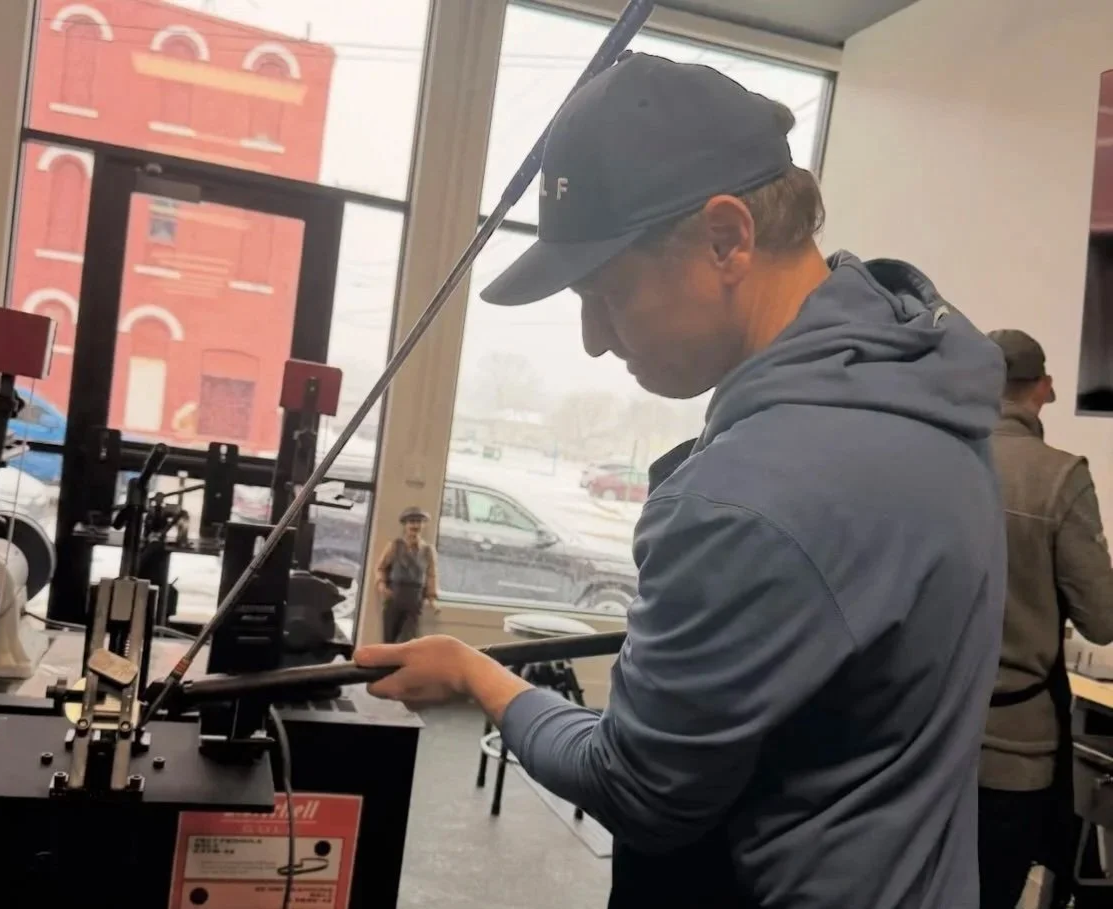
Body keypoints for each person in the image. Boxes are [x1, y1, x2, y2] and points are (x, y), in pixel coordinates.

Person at [355, 53, 1007, 908]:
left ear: (726, 237)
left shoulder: (753, 494)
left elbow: (639, 789)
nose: (593, 337)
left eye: (604, 293)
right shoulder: (916, 389)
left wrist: (476, 675)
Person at [979, 330, 1113, 909]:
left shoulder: (933, 460)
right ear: (1044, 388)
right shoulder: (1059, 477)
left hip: (926, 736)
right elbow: (1102, 620)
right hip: (1013, 749)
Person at [374, 505, 439, 644]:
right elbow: (381, 567)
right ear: (405, 525)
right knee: (389, 636)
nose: (415, 525)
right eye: (411, 522)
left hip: (415, 597)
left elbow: (431, 575)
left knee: (408, 637)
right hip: (395, 594)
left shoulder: (428, 550)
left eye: (418, 522)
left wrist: (432, 597)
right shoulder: (394, 546)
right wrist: (381, 584)